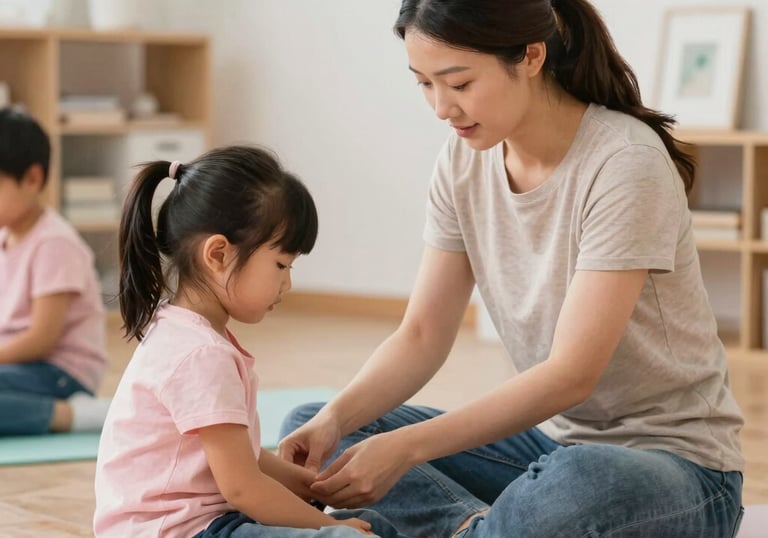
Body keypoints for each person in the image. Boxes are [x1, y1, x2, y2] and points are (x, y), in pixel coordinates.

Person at [279, 1, 745, 537]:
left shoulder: (624, 163)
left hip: (678, 468)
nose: (441, 108)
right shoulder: (461, 162)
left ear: (529, 56)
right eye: (424, 84)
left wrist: (405, 449)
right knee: (315, 434)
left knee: (577, 483)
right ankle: (472, 528)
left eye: (458, 83)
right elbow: (423, 333)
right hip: (550, 447)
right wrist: (335, 420)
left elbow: (571, 375)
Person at [93, 146, 417, 538]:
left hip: (209, 522)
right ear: (218, 254)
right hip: (182, 532)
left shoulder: (188, 334)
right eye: (281, 264)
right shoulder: (201, 354)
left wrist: (310, 487)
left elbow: (241, 458)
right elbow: (243, 488)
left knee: (372, 524)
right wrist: (329, 524)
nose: (288, 282)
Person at [0, 106, 110, 436]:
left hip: (59, 373)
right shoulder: (6, 236)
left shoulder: (54, 243)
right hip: (17, 366)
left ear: (32, 179)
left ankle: (74, 415)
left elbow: (41, 339)